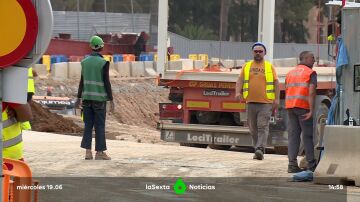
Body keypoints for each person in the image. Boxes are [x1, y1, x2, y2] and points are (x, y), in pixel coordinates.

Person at [235, 42, 280, 160]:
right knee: (252, 128)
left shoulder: (269, 67)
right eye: (256, 51)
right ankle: (257, 148)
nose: (258, 53)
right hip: (250, 102)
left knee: (262, 126)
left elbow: (276, 83)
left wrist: (277, 98)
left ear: (264, 53)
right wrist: (237, 92)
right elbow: (240, 80)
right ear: (252, 52)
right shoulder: (247, 66)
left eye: (260, 51)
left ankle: (260, 148)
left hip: (266, 103)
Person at [76, 35, 115, 160]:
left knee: (88, 125)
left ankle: (88, 152)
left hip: (86, 99)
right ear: (101, 46)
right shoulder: (103, 62)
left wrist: (78, 98)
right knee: (99, 126)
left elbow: (81, 81)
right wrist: (111, 99)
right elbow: (106, 82)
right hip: (99, 101)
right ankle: (100, 152)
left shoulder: (84, 62)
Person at [285, 51, 317, 173]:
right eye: (312, 58)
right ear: (304, 58)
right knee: (307, 136)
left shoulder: (290, 73)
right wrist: (311, 110)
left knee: (293, 136)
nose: (314, 60)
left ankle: (292, 165)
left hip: (290, 107)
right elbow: (311, 91)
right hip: (303, 107)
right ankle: (311, 164)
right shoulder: (311, 73)